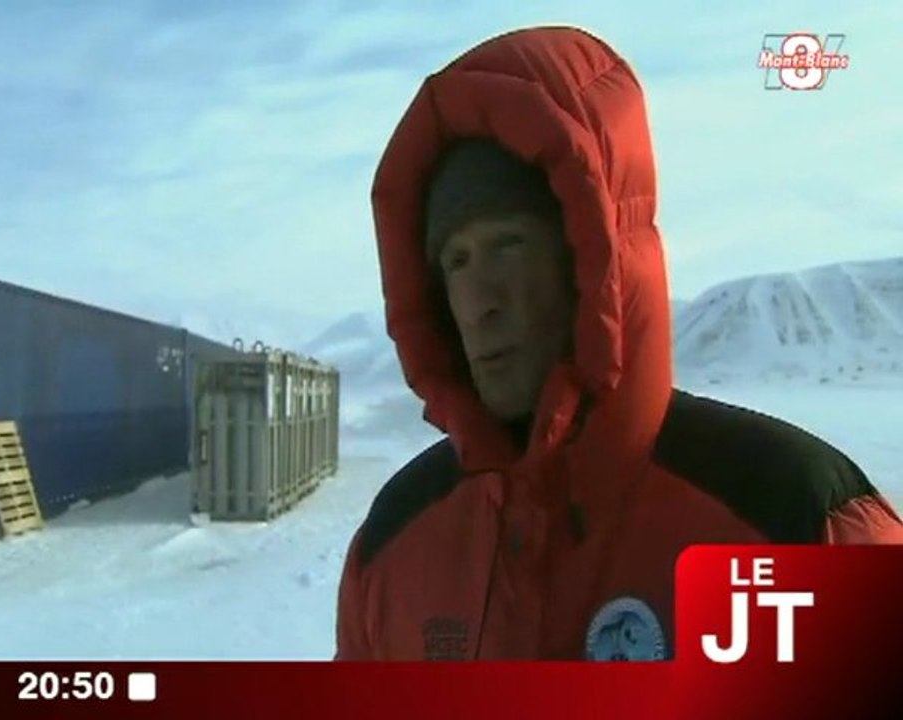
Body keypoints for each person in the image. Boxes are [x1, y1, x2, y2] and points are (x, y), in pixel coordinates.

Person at [334, 25, 903, 661]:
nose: (478, 303)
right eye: (456, 262)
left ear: (591, 258)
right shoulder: (394, 550)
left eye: (508, 246)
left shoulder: (794, 526)